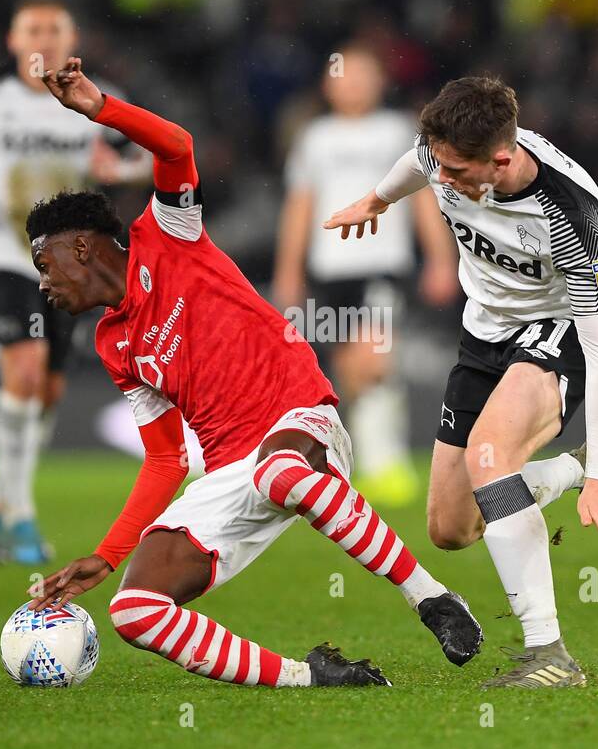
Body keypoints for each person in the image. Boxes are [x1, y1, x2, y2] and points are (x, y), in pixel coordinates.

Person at [24, 58, 483, 688]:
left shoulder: (166, 232)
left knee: (280, 468)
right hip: (230, 473)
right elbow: (165, 461)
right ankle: (312, 678)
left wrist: (98, 106)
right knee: (134, 611)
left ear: (79, 247)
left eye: (44, 266)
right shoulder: (113, 344)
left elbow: (177, 145)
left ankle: (432, 598)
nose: (44, 286)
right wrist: (106, 558)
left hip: (301, 422)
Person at [324, 76, 598, 689]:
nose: (444, 179)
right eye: (440, 165)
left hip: (556, 333)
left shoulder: (573, 218)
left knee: (491, 458)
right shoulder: (444, 157)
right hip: (482, 337)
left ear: (503, 158)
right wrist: (377, 200)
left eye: (457, 171)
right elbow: (415, 163)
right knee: (451, 528)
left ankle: (550, 655)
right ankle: (564, 471)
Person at [0, 0, 145, 564]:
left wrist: (117, 168)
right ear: (13, 41)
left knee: (48, 389)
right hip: (3, 250)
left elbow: (153, 155)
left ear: (71, 41)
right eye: (33, 29)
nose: (43, 38)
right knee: (22, 372)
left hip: (70, 267)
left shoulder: (89, 97)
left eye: (55, 28)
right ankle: (19, 515)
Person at [272, 45, 458, 506]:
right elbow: (300, 206)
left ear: (379, 82)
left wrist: (441, 259)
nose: (352, 83)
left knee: (375, 360)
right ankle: (358, 459)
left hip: (381, 262)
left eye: (362, 75)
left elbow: (421, 199)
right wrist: (288, 270)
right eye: (343, 75)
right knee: (350, 371)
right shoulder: (315, 137)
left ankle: (386, 463)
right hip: (331, 267)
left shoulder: (396, 131)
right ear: (327, 83)